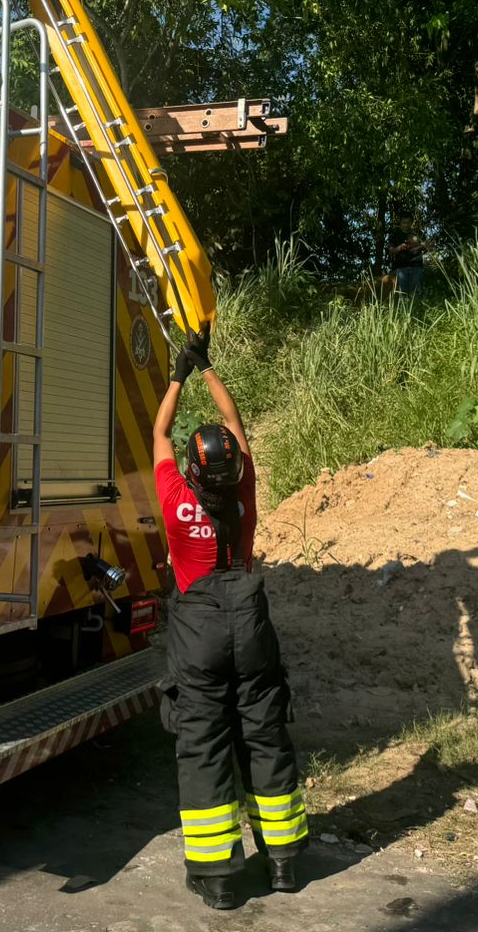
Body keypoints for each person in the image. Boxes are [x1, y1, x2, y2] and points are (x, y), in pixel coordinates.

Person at [152, 327, 308, 909]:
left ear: (192, 471)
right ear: (235, 466)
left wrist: (178, 373)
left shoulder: (176, 499)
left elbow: (160, 432)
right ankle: (285, 862)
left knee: (205, 742)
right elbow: (236, 425)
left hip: (198, 628)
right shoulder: (243, 495)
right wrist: (211, 368)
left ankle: (218, 878)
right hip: (251, 618)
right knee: (265, 734)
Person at [388, 217, 425, 299]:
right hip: (400, 268)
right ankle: (403, 311)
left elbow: (426, 245)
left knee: (417, 294)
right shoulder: (395, 234)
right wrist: (400, 247)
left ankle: (418, 311)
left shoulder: (417, 233)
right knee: (402, 295)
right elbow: (390, 251)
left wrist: (417, 248)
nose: (406, 225)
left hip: (416, 266)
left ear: (411, 223)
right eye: (404, 223)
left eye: (408, 222)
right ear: (400, 224)